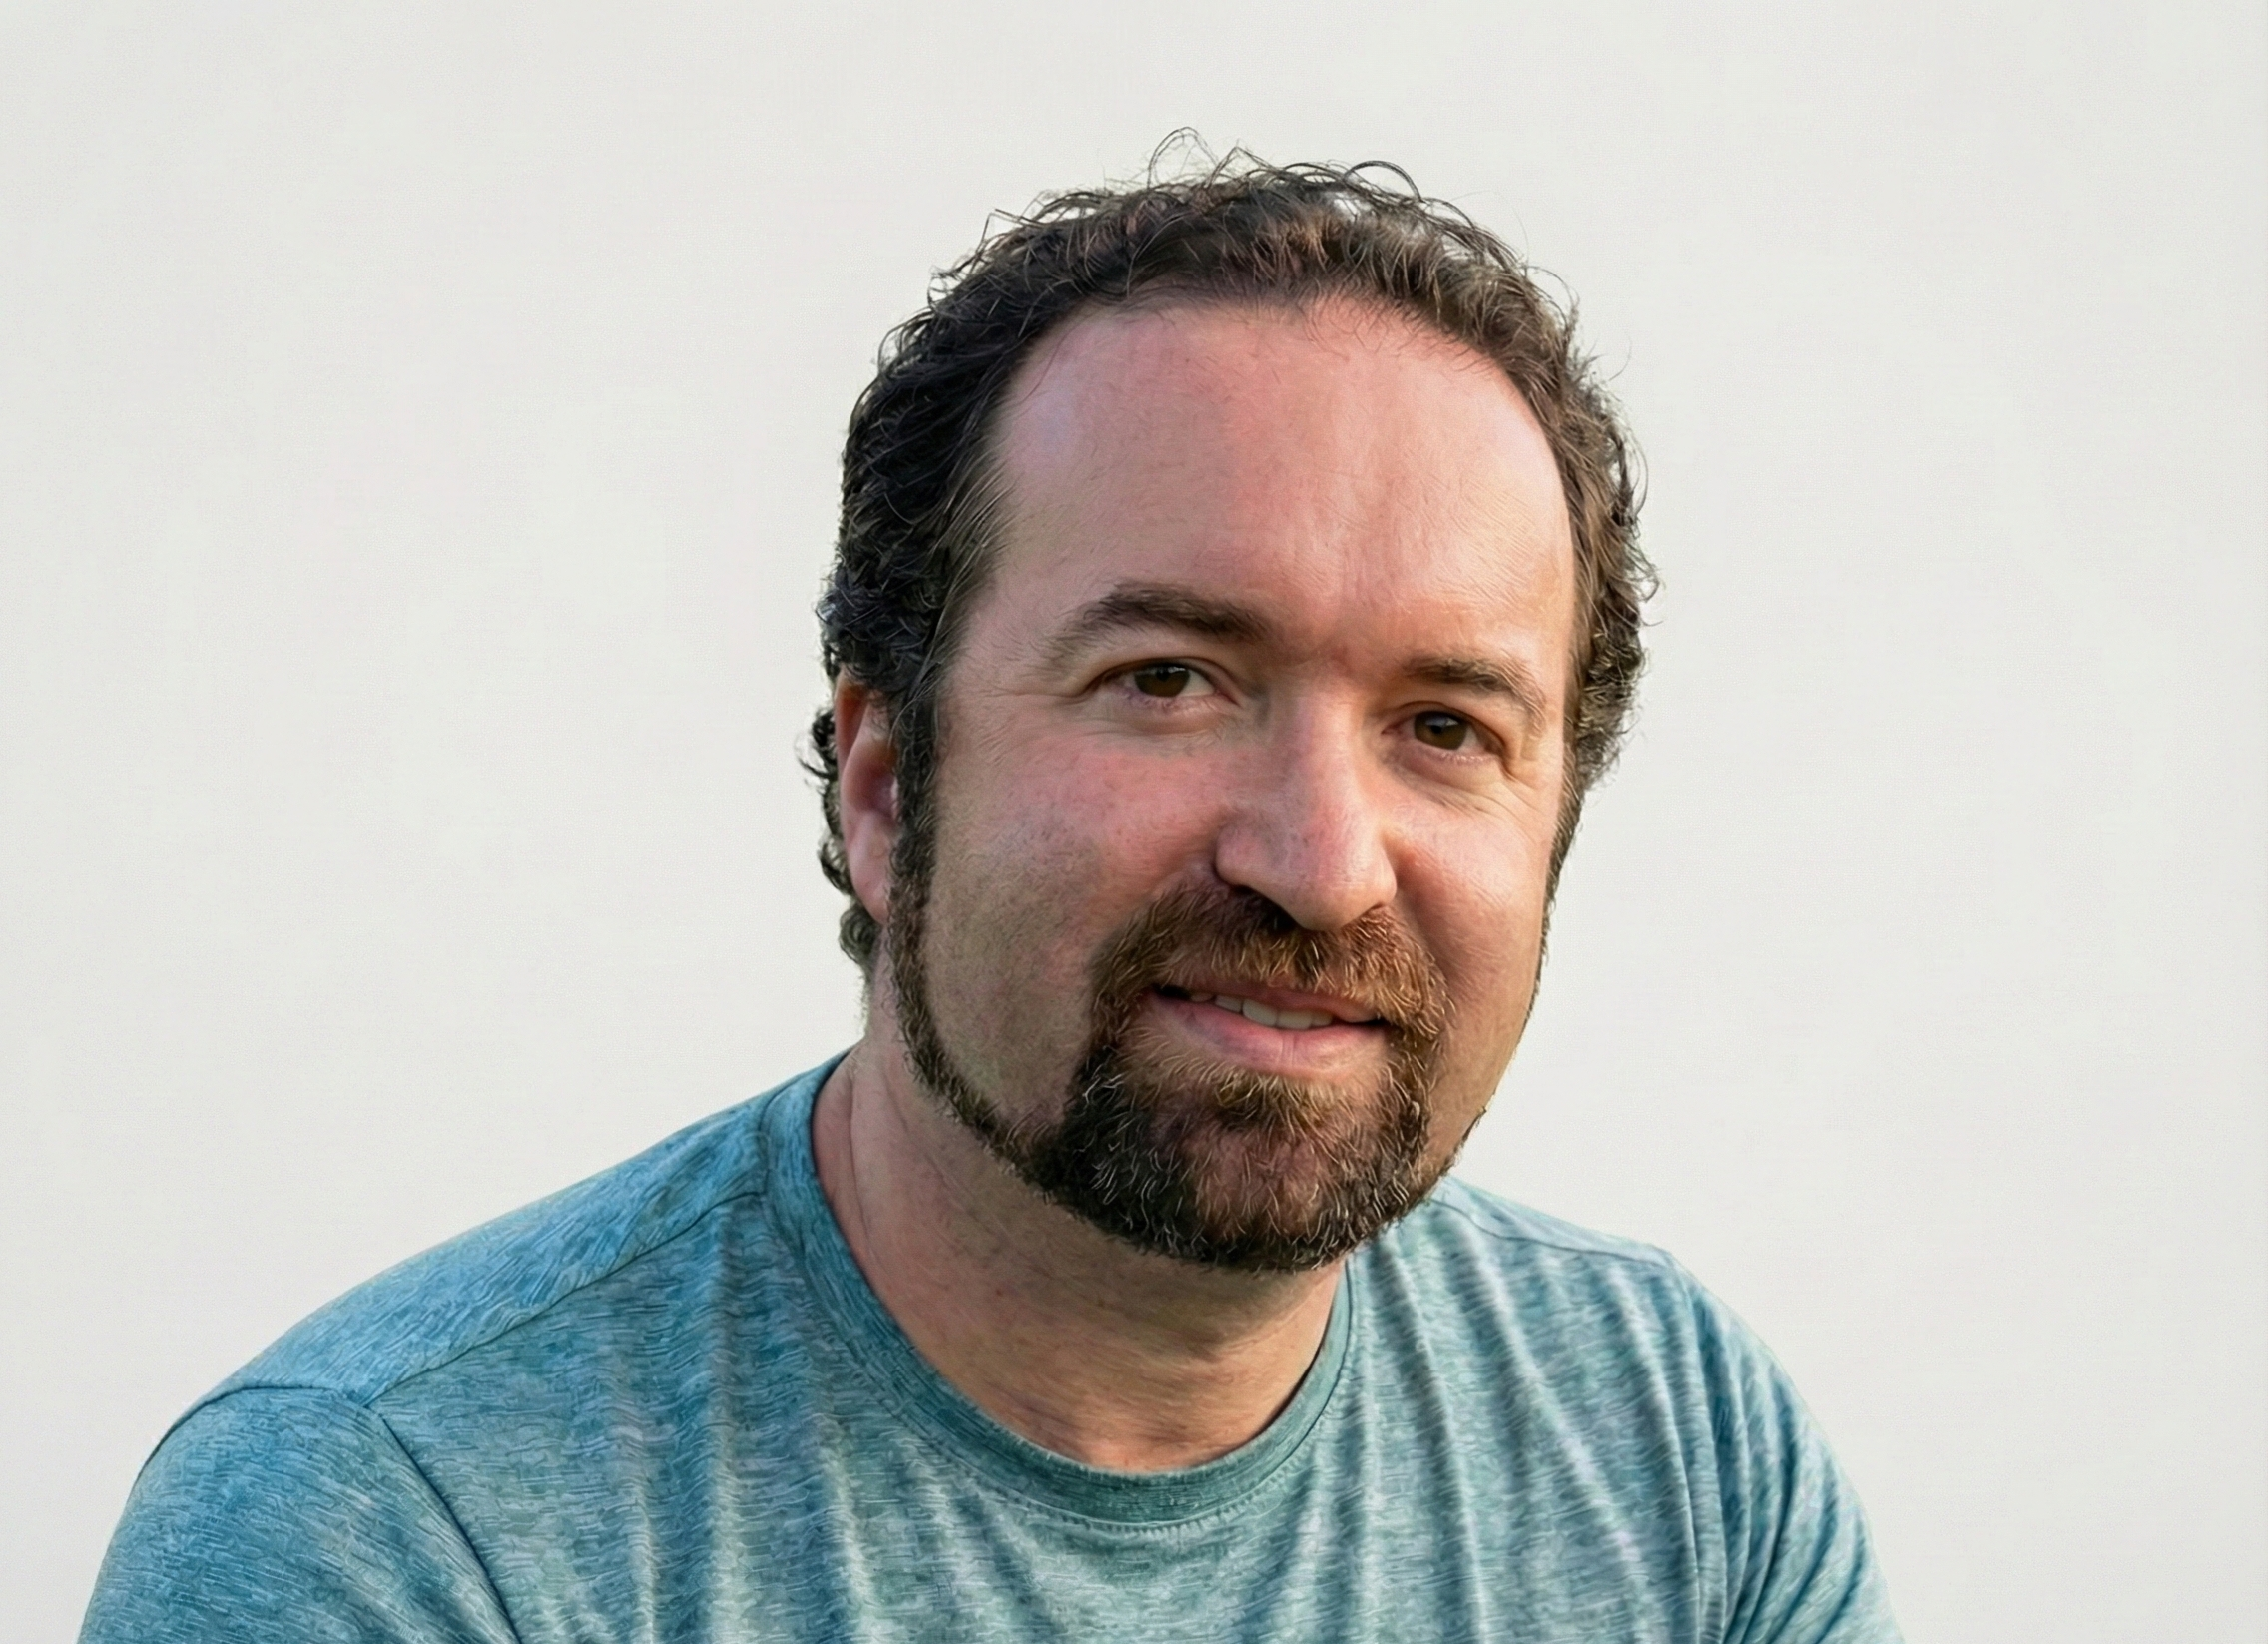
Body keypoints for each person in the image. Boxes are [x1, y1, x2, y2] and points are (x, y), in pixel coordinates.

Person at [82, 154, 1903, 1642]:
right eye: (1168, 680)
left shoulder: (1673, 1455)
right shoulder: (390, 1535)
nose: (1320, 860)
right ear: (887, 785)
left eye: (1445, 725)